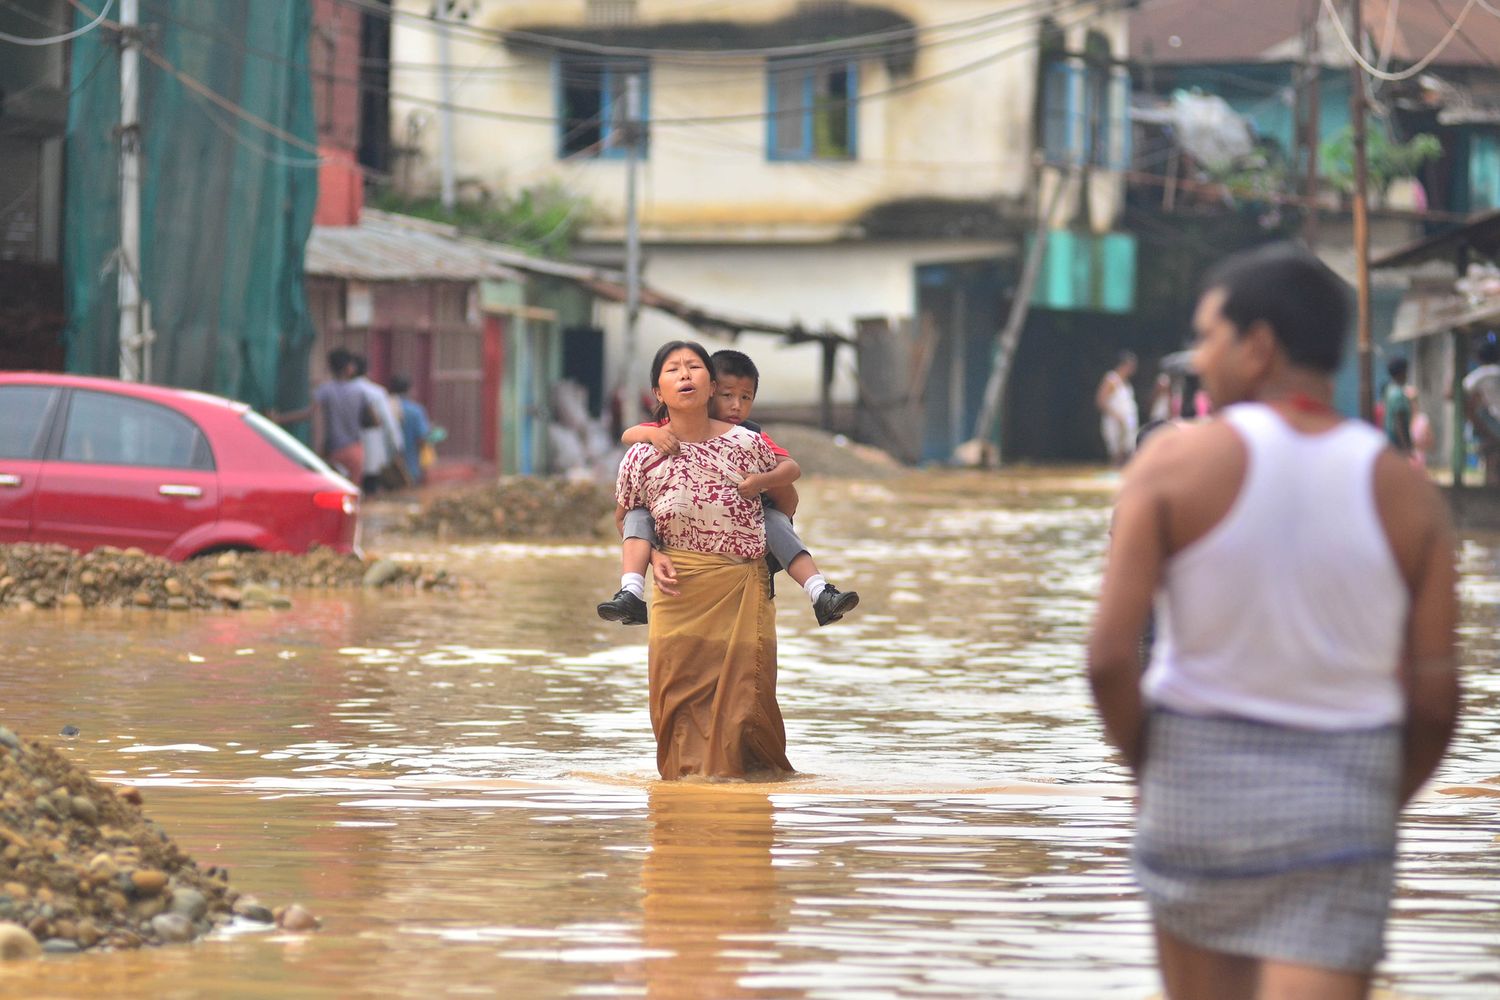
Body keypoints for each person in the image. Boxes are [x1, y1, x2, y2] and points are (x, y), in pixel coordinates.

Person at [1087, 243, 1459, 1000]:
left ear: (1258, 348)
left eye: (1209, 337)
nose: (1200, 358)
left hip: (1196, 787)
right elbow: (1435, 699)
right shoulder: (1408, 495)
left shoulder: (1169, 466)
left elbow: (1107, 661)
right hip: (1343, 796)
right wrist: (1375, 801)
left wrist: (1151, 772)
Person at [613, 341, 794, 781]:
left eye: (694, 366)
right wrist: (653, 556)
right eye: (673, 369)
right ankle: (682, 805)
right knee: (674, 696)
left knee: (743, 702)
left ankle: (737, 801)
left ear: (710, 384)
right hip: (677, 588)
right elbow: (627, 517)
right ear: (658, 391)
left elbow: (787, 501)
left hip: (739, 584)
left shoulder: (747, 443)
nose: (685, 374)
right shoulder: (642, 453)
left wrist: (761, 490)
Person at [598, 349, 860, 628]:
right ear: (709, 392)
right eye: (727, 395)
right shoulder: (667, 432)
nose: (736, 405)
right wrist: (653, 434)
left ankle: (820, 592)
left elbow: (791, 470)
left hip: (749, 533)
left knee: (774, 521)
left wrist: (760, 482)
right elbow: (629, 437)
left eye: (745, 398)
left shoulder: (749, 438)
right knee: (637, 516)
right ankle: (631, 592)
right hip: (681, 559)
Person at [351, 355, 405, 493]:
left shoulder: (339, 390)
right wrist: (397, 444)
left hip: (346, 449)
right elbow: (388, 422)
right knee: (370, 487)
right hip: (372, 447)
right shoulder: (376, 392)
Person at [1462, 336, 1500, 485]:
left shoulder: (1479, 375)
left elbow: (1454, 393)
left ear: (1478, 357)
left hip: (1490, 425)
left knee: (1491, 462)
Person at [388, 375, 432, 487]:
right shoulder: (415, 410)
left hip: (387, 467)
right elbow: (422, 438)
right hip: (410, 466)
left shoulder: (386, 407)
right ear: (409, 389)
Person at [1096, 351, 1139, 465]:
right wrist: (1117, 416)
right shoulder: (1111, 379)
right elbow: (1101, 400)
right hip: (1115, 422)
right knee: (1116, 453)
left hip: (1128, 423)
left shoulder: (1126, 383)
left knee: (1128, 452)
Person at [1382, 356, 1413, 453]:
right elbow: (1399, 422)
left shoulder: (1389, 390)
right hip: (1398, 442)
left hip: (1390, 439)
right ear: (1401, 373)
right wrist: (1406, 447)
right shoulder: (1398, 394)